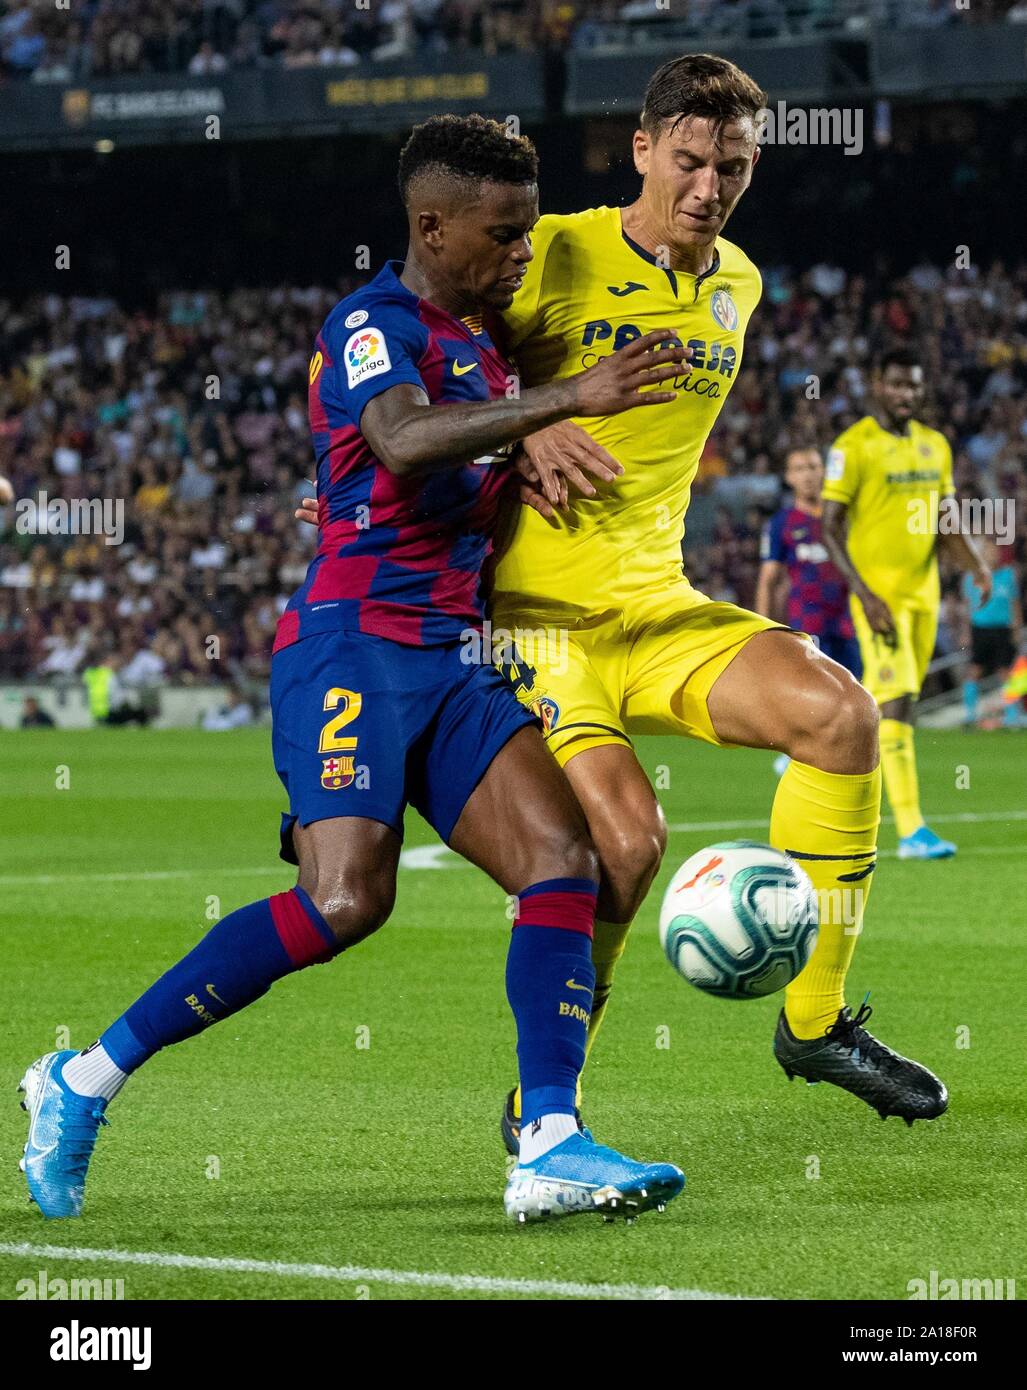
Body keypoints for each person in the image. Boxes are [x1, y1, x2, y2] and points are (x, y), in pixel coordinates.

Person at [18, 116, 688, 1226]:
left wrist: (531, 442)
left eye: (529, 232)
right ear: (432, 224)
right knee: (342, 900)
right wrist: (563, 403)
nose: (522, 254)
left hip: (455, 654)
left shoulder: (481, 343)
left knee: (565, 860)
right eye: (502, 233)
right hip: (354, 645)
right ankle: (80, 1081)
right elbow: (404, 441)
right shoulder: (372, 321)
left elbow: (469, 433)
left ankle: (551, 1143)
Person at [822, 348, 991, 859]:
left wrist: (977, 565)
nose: (907, 395)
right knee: (891, 703)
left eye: (914, 386)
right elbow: (829, 527)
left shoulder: (934, 446)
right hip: (880, 601)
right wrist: (866, 594)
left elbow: (944, 521)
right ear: (877, 384)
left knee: (895, 706)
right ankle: (911, 830)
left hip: (924, 597)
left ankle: (844, 798)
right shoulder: (854, 447)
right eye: (897, 385)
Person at [755, 445, 860, 775]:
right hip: (809, 619)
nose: (809, 475)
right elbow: (769, 579)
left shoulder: (843, 518)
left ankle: (843, 759)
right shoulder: (782, 523)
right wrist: (762, 629)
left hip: (850, 620)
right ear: (789, 478)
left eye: (814, 467)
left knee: (856, 692)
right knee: (819, 694)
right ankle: (800, 757)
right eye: (800, 468)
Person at [961, 540, 1022, 728]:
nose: (991, 555)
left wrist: (1016, 629)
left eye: (994, 552)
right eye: (987, 552)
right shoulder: (972, 577)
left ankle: (1013, 715)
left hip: (1002, 629)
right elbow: (967, 606)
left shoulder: (1008, 576)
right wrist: (966, 632)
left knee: (1006, 673)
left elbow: (1015, 604)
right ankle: (970, 714)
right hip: (980, 628)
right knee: (974, 671)